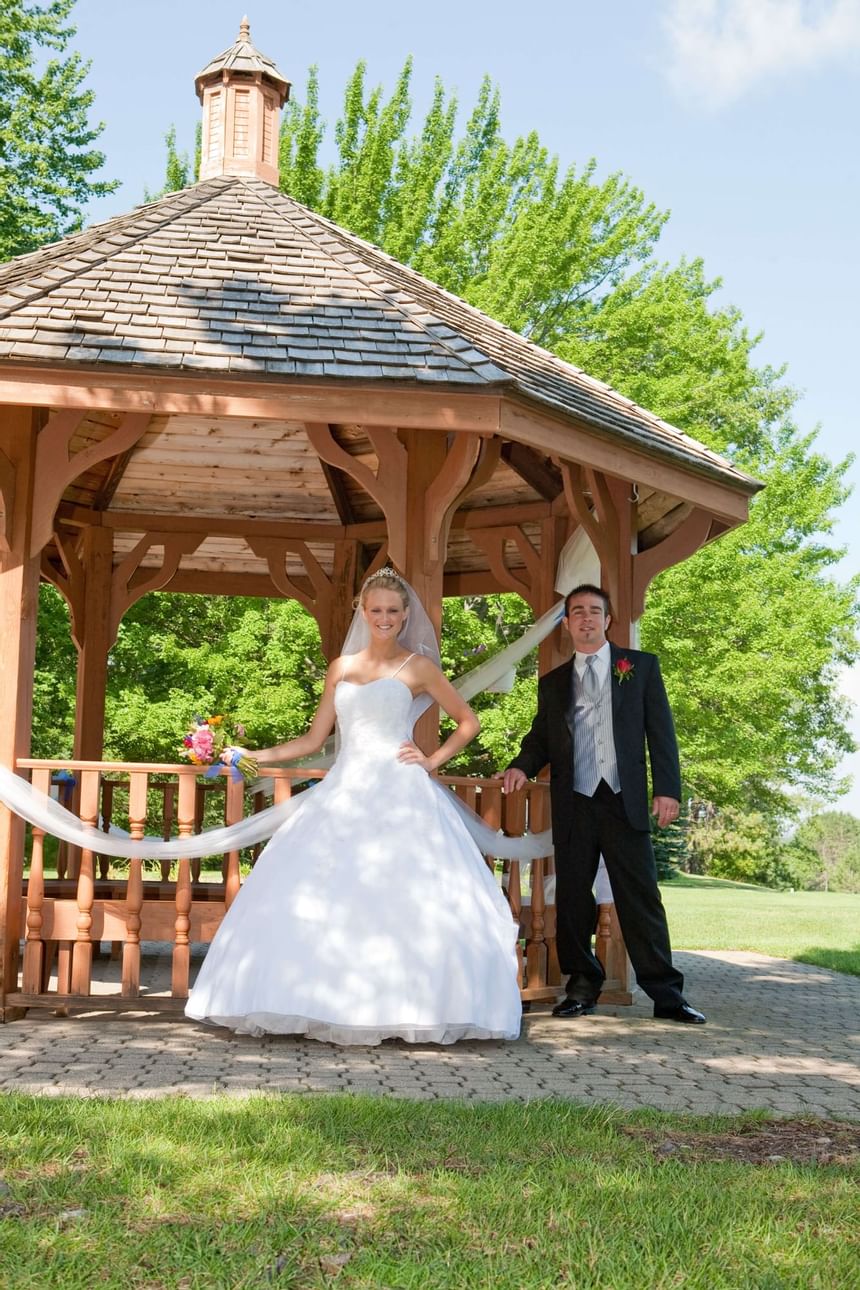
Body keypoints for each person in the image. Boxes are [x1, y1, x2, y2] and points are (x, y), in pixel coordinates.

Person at [184, 568, 523, 1044]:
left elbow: (469, 721)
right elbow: (314, 738)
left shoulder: (419, 668)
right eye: (375, 610)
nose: (383, 618)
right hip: (344, 790)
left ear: (405, 616)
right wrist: (252, 755)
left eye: (392, 611)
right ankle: (320, 1002)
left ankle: (408, 1008)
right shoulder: (341, 667)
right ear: (363, 612)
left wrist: (431, 760)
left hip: (401, 793)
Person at [501, 584, 705, 1024]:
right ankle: (581, 988)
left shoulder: (640, 668)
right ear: (568, 623)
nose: (587, 619)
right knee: (574, 899)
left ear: (608, 620)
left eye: (595, 611)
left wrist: (667, 789)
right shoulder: (553, 684)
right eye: (578, 612)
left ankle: (667, 996)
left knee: (641, 898)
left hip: (622, 800)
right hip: (575, 803)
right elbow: (541, 738)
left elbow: (661, 733)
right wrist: (521, 765)